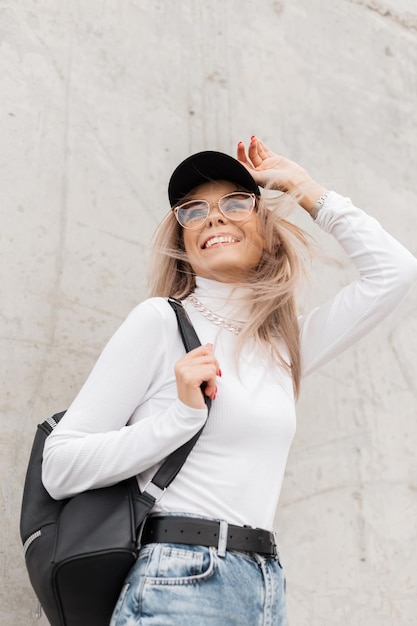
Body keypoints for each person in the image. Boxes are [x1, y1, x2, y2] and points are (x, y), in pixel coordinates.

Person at [42, 136, 417, 625]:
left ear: (265, 225)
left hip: (263, 584)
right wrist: (179, 419)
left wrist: (305, 189)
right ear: (182, 238)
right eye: (193, 210)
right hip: (179, 577)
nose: (213, 216)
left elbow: (394, 272)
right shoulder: (160, 321)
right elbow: (60, 465)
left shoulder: (284, 344)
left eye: (235, 202)